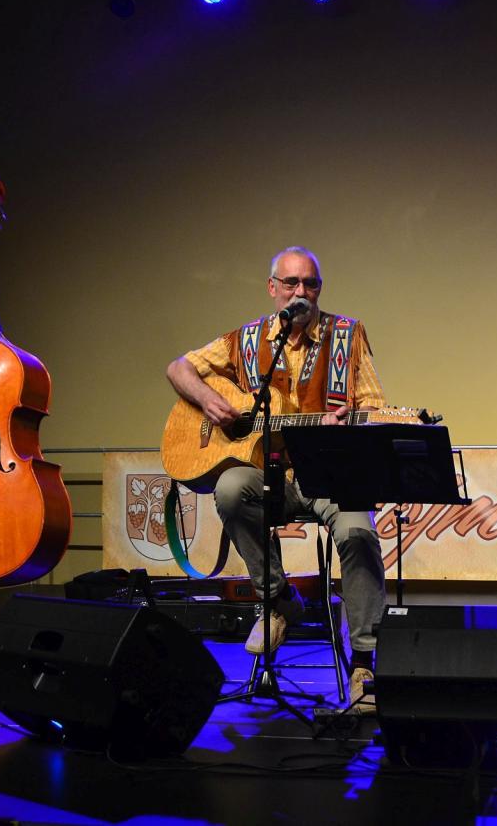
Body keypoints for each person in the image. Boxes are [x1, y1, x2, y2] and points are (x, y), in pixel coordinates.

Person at [166, 246, 388, 712]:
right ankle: (278, 598)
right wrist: (208, 400)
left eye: (310, 283)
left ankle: (364, 660)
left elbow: (376, 407)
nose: (301, 292)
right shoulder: (245, 340)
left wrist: (351, 423)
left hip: (330, 475)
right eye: (291, 283)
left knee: (358, 533)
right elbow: (178, 368)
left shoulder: (347, 335)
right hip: (269, 475)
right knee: (231, 489)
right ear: (272, 288)